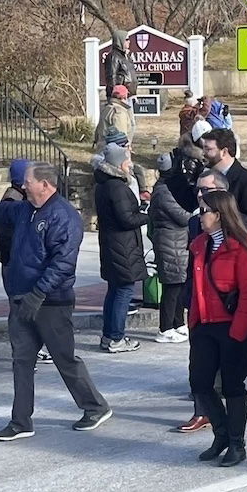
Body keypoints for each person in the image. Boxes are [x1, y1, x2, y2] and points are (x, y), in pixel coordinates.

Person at [0, 161, 112, 439]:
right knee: (21, 360)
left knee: (64, 358)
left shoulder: (64, 216)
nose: (23, 186)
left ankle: (95, 406)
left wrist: (39, 293)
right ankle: (21, 421)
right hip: (22, 298)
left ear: (45, 185)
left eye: (28, 182)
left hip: (51, 302)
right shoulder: (24, 209)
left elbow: (62, 264)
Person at [189, 191, 247, 467]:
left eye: (204, 211)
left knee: (233, 386)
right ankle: (221, 434)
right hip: (205, 326)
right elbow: (194, 288)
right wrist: (193, 323)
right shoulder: (199, 245)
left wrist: (238, 333)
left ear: (218, 215)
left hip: (233, 327)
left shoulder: (241, 247)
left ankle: (236, 443)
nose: (200, 216)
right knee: (200, 382)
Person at [0, 158, 53, 364]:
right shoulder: (13, 201)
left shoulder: (23, 199)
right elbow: (10, 235)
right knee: (19, 309)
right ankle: (22, 353)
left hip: (22, 263)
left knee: (30, 309)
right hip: (14, 264)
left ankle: (32, 349)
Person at [94, 143, 148, 353]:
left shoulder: (104, 184)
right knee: (124, 291)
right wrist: (146, 215)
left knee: (115, 290)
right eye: (127, 161)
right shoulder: (116, 187)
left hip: (113, 244)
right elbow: (126, 218)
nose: (130, 165)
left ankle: (109, 335)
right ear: (119, 164)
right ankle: (116, 337)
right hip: (122, 246)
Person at [149, 153, 190, 344]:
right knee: (171, 286)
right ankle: (165, 328)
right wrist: (196, 212)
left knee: (179, 283)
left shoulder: (168, 188)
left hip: (178, 242)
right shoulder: (164, 191)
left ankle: (178, 322)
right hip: (169, 242)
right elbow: (182, 215)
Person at [94, 85, 133, 150]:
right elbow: (120, 136)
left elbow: (97, 132)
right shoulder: (119, 112)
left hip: (102, 147)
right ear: (124, 96)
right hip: (114, 151)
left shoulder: (106, 108)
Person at [104, 30, 138, 101]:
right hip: (119, 98)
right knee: (120, 112)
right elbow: (111, 77)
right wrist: (116, 95)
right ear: (120, 40)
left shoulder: (126, 56)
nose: (129, 41)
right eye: (127, 39)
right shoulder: (113, 56)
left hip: (129, 96)